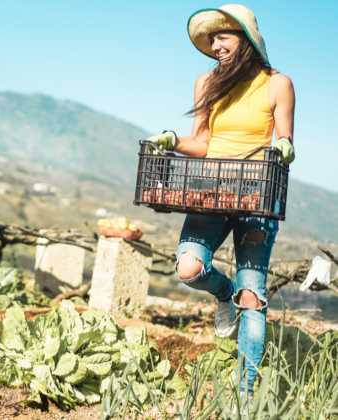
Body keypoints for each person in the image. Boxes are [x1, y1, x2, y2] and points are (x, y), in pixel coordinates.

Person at [147, 4, 295, 395]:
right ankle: (221, 292)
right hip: (211, 191)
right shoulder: (206, 83)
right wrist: (173, 141)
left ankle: (245, 394)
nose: (215, 45)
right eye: (211, 39)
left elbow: (283, 140)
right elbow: (203, 142)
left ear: (246, 39)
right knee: (189, 269)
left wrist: (283, 147)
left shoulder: (277, 84)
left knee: (253, 295)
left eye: (223, 36)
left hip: (255, 196)